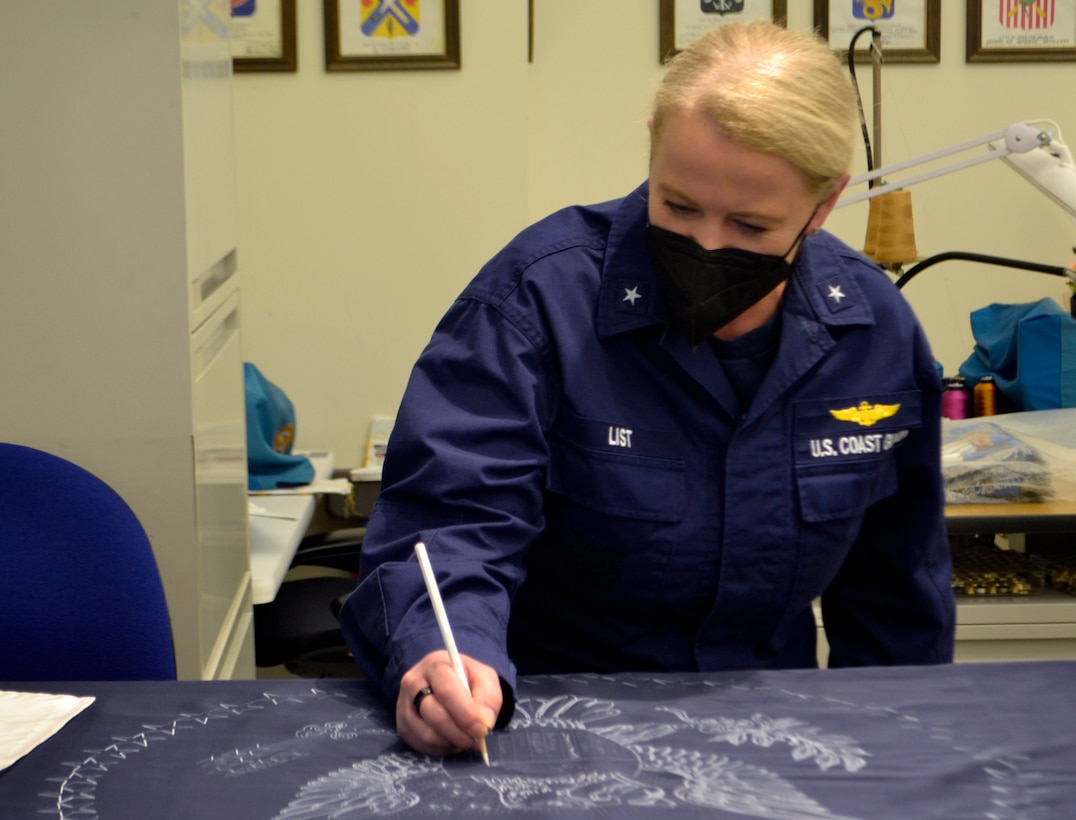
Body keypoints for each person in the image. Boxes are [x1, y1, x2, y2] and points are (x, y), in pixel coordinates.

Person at [339, 19, 956, 758]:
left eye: (753, 226)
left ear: (822, 209)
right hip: (545, 731)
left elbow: (898, 595)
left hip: (772, 737)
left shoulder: (872, 336)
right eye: (680, 207)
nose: (706, 246)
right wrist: (446, 659)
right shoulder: (538, 302)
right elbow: (450, 523)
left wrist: (898, 753)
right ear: (653, 150)